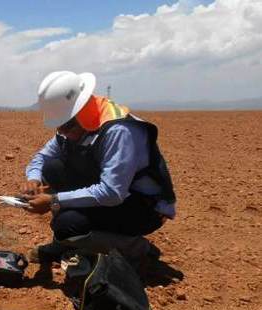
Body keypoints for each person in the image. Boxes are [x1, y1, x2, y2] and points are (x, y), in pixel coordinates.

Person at [22, 71, 176, 266]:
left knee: (67, 224)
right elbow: (42, 157)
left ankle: (134, 247)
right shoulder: (74, 125)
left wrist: (54, 201)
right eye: (59, 127)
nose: (62, 133)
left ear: (82, 110)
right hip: (117, 195)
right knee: (52, 168)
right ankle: (68, 242)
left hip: (143, 207)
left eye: (67, 126)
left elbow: (112, 192)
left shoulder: (118, 131)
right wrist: (33, 179)